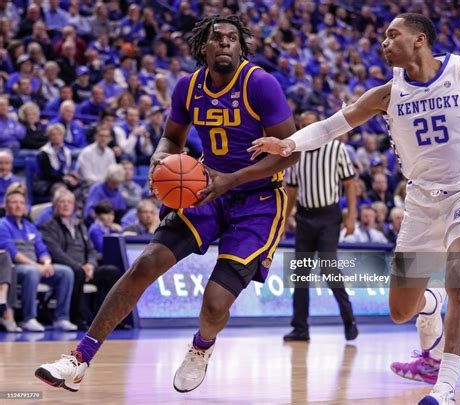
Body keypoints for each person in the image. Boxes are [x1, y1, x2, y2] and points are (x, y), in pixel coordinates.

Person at [35, 15, 298, 394]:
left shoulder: (260, 84)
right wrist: (161, 160)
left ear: (241, 47)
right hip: (207, 189)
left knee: (214, 303)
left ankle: (200, 348)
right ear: (203, 47)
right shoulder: (188, 87)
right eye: (216, 38)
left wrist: (234, 179)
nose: (224, 43)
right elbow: (171, 139)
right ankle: (78, 359)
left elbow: (290, 153)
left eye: (232, 38)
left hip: (258, 199)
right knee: (145, 264)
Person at [248, 13, 460, 405]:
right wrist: (288, 146)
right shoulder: (387, 93)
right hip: (420, 203)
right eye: (383, 36)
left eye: (392, 35)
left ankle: (445, 387)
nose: (384, 43)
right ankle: (433, 302)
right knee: (401, 310)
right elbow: (332, 125)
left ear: (419, 40)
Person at [283, 111, 359, 342]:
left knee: (329, 269)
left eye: (310, 125)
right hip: (305, 218)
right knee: (300, 274)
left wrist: (352, 216)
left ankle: (349, 319)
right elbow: (292, 190)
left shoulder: (336, 149)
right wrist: (286, 217)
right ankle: (300, 328)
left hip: (329, 217)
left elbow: (349, 184)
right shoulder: (297, 153)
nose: (306, 129)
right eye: (303, 125)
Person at [40, 189, 121, 330]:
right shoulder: (48, 227)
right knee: (77, 272)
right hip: (67, 268)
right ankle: (78, 318)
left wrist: (90, 264)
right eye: (62, 202)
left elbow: (91, 250)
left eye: (69, 202)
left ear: (74, 206)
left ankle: (107, 319)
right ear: (55, 205)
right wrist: (80, 266)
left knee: (111, 272)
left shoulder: (80, 226)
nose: (66, 205)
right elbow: (56, 253)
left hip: (86, 268)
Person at [0, 184, 76, 332]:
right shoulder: (2, 225)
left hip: (36, 265)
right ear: (6, 206)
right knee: (31, 272)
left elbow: (41, 249)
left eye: (21, 203)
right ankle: (29, 318)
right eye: (14, 202)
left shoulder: (30, 226)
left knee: (66, 272)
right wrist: (37, 266)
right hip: (15, 268)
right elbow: (12, 253)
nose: (18, 206)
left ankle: (61, 318)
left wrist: (47, 263)